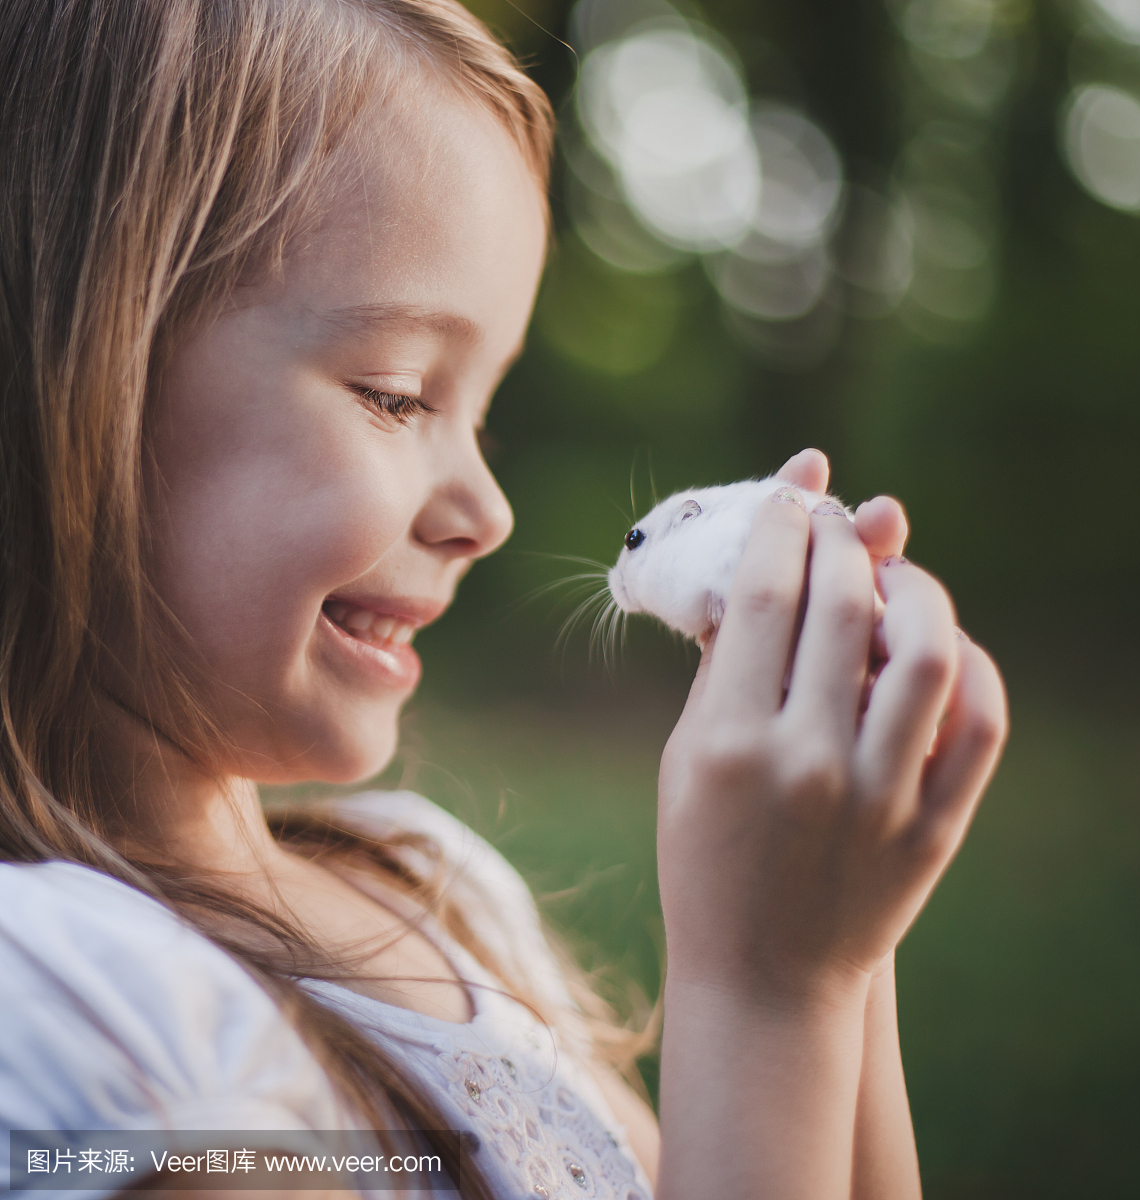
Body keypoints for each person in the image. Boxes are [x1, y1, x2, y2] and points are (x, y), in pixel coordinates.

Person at [0, 2, 1008, 1198]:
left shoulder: (436, 888)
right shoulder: (72, 1008)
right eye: (395, 393)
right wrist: (764, 991)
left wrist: (835, 943)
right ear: (62, 369)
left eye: (482, 411)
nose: (488, 511)